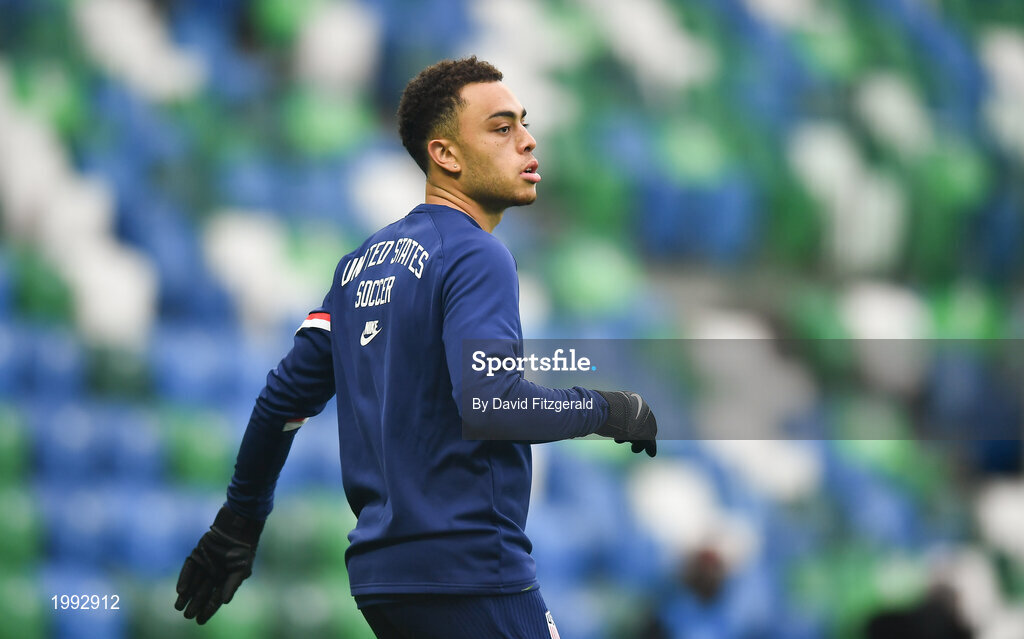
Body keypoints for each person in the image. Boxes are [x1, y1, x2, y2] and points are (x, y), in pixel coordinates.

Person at [174, 56, 657, 638]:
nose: (528, 141)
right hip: (471, 572)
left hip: (386, 581)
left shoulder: (359, 266)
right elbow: (493, 404)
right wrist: (610, 410)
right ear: (445, 155)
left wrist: (239, 521)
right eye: (502, 128)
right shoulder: (478, 256)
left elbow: (282, 402)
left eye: (524, 124)